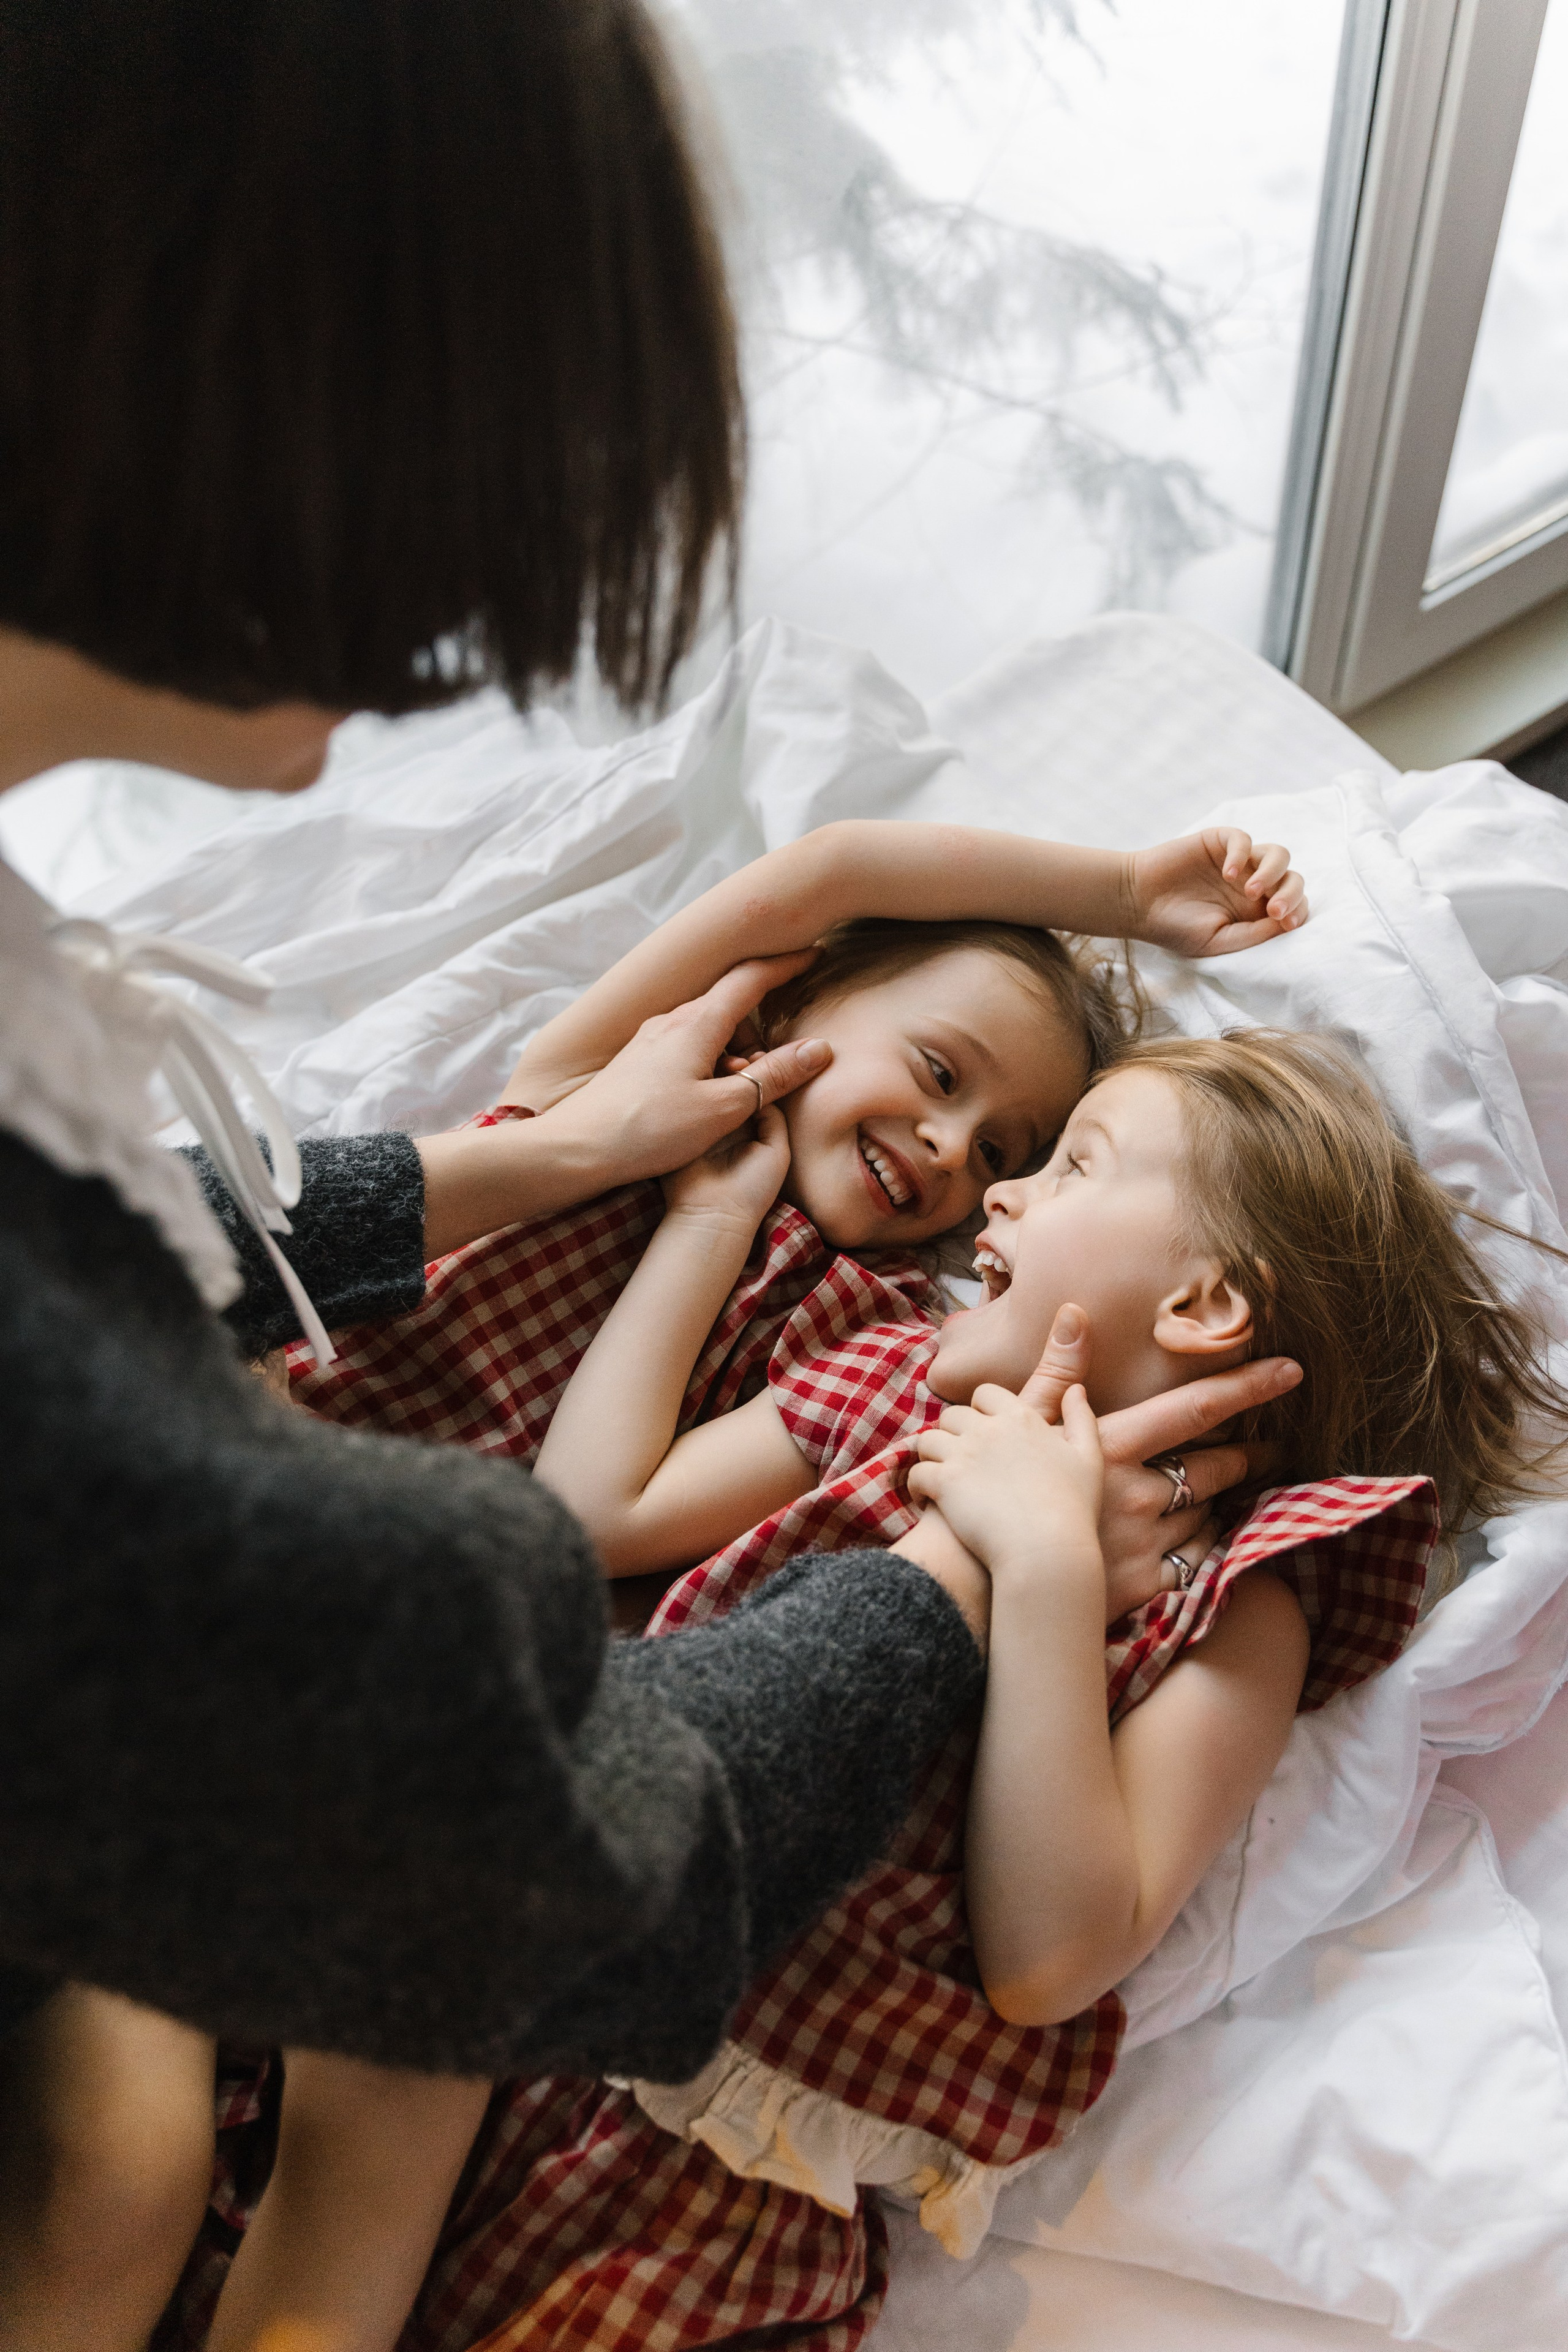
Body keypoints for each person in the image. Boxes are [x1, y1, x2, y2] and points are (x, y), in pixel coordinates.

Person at [0, 7, 1300, 2349]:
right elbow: (542, 1796)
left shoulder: (922, 1350)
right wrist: (943, 1557)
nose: (463, 616)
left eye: (1027, 1149)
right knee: (160, 2151)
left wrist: (551, 1180)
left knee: (121, 2163)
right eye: (465, 456)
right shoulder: (753, 1262)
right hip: (433, 1805)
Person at [335, 1025, 1555, 2352]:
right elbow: (591, 1513)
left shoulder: (1236, 1599)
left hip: (693, 2184)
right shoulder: (892, 1374)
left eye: (1070, 1164)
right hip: (514, 1945)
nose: (1000, 1193)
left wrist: (1038, 1569)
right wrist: (711, 1215)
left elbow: (1050, 1961)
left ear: (1204, 1306)